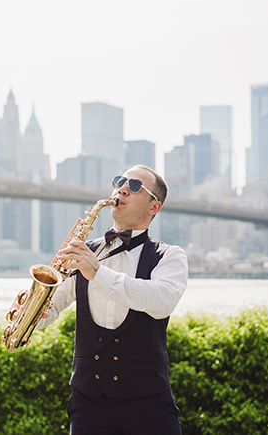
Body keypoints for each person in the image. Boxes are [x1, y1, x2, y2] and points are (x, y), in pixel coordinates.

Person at [36, 165, 188, 435]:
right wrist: (33, 310)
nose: (122, 188)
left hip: (149, 407)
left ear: (154, 207)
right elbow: (54, 305)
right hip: (87, 407)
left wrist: (96, 273)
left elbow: (162, 301)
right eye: (120, 181)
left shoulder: (170, 256)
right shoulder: (83, 251)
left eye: (136, 186)